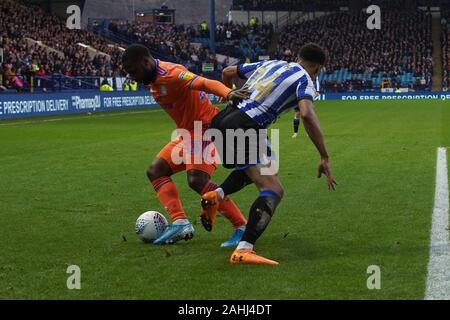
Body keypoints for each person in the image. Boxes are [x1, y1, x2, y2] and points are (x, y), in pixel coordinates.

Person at [200, 43, 337, 265]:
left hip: (222, 121)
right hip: (245, 126)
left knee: (262, 165)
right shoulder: (305, 81)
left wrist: (227, 94)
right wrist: (324, 156)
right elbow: (307, 114)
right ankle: (244, 249)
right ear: (318, 68)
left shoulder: (271, 63)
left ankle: (216, 196)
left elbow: (228, 72)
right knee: (274, 189)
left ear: (297, 57)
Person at [122, 44, 249, 246]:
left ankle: (242, 227)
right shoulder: (152, 77)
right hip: (188, 134)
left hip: (205, 128)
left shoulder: (171, 74)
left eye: (133, 71)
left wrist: (228, 93)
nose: (133, 77)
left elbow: (205, 82)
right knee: (156, 170)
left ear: (146, 62)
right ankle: (180, 222)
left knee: (197, 180)